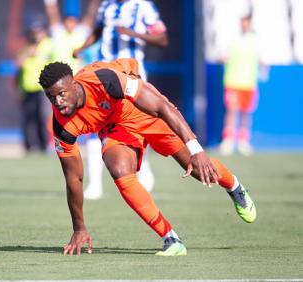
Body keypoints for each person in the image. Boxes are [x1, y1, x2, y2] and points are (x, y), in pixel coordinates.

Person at [38, 58, 257, 256]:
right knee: (118, 168)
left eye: (62, 93)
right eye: (51, 97)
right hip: (115, 127)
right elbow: (73, 179)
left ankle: (234, 187)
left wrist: (196, 150)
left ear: (74, 84)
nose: (58, 102)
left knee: (199, 171)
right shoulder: (62, 127)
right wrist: (79, 228)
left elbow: (161, 108)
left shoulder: (105, 80)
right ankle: (170, 238)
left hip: (141, 111)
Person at [73, 0, 169, 199]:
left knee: (138, 124)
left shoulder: (143, 7)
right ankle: (95, 184)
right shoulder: (107, 5)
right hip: (105, 75)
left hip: (133, 74)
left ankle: (143, 168)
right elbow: (98, 31)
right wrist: (81, 48)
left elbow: (162, 39)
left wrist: (133, 34)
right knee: (96, 124)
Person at [219, 14, 261, 156]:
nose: (244, 25)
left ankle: (243, 141)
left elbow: (261, 60)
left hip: (248, 83)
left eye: (246, 22)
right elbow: (223, 56)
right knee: (232, 111)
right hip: (233, 82)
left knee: (246, 113)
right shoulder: (234, 40)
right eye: (242, 22)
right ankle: (228, 140)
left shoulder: (255, 41)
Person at [16, 20, 53, 153]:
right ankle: (29, 146)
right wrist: (28, 53)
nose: (36, 35)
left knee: (42, 117)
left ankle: (44, 144)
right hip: (27, 88)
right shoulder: (25, 47)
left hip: (42, 88)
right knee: (28, 118)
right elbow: (18, 64)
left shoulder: (48, 45)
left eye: (38, 32)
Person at [43, 0, 99, 73]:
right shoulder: (58, 32)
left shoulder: (81, 32)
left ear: (77, 21)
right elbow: (52, 14)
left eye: (73, 21)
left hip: (77, 74)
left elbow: (91, 14)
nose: (70, 23)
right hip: (58, 74)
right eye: (68, 20)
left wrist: (95, 2)